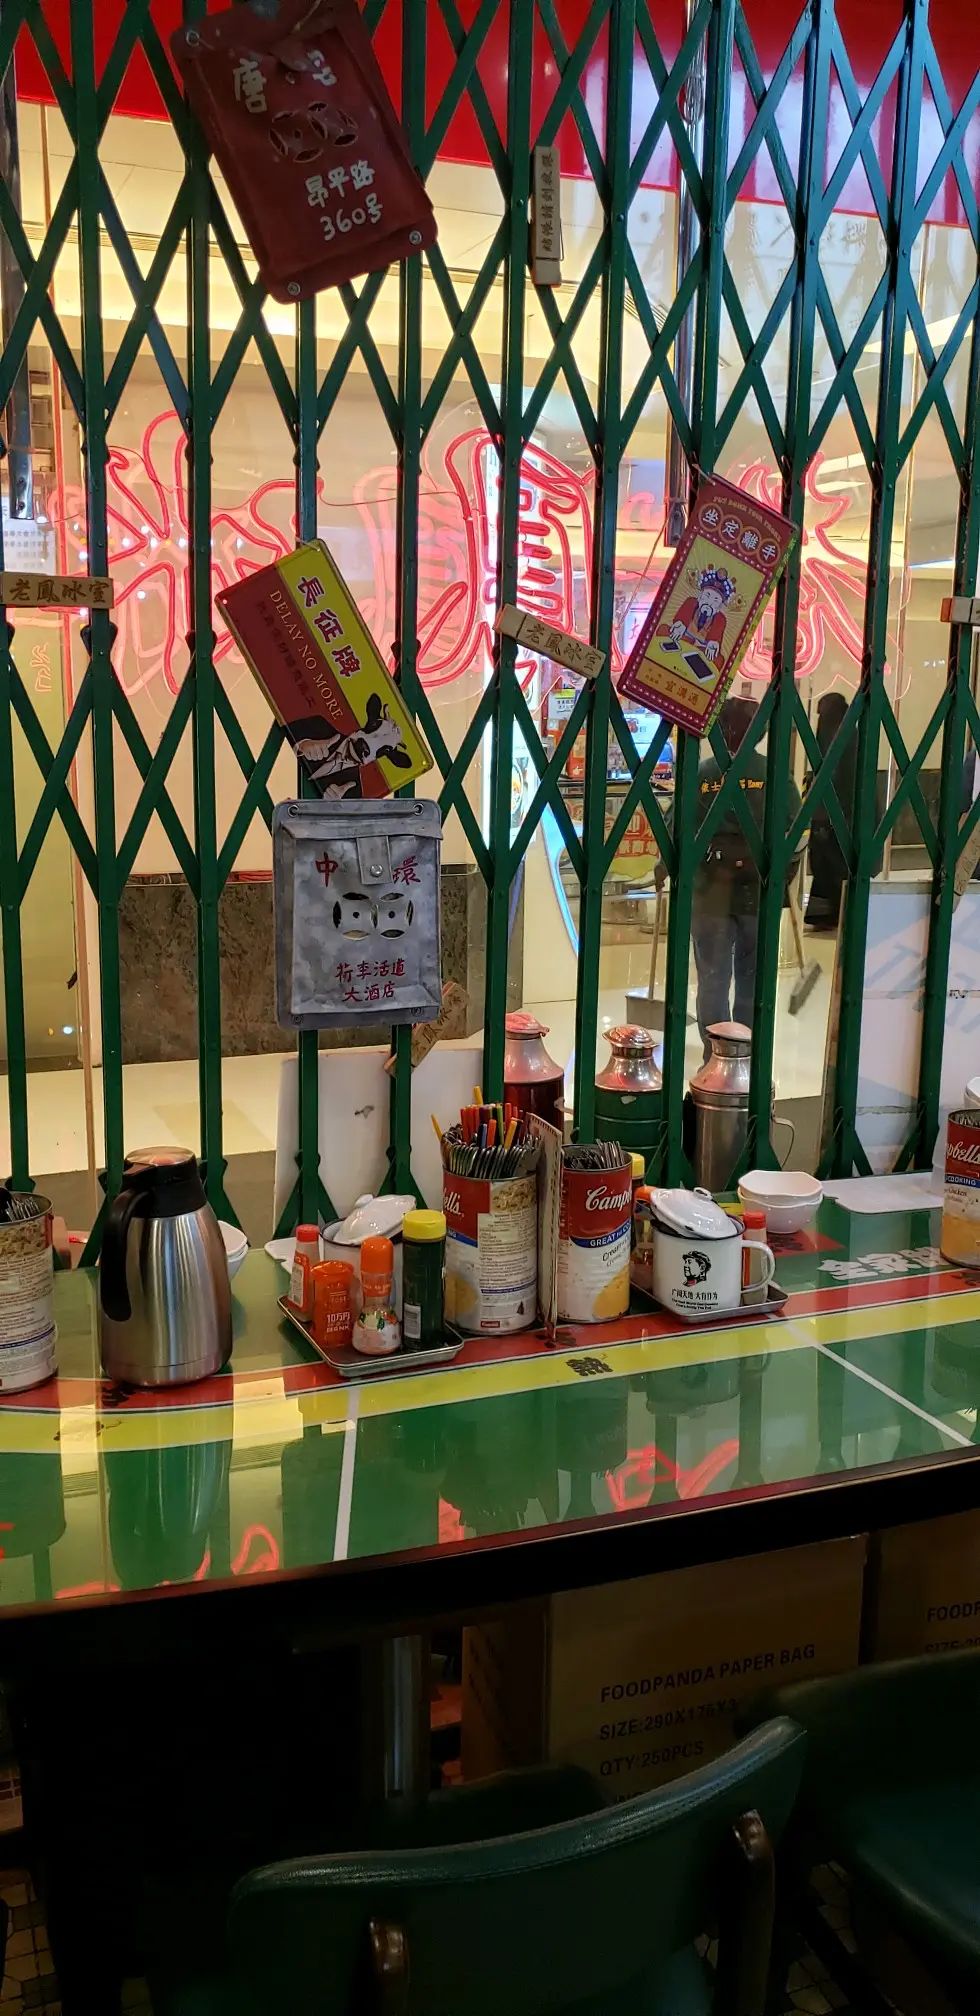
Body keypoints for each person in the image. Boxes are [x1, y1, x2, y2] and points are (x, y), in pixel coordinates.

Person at [657, 696, 803, 1058]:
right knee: (753, 979)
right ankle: (747, 1055)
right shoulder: (775, 775)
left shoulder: (699, 774)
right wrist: (783, 876)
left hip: (709, 891)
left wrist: (666, 869)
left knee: (712, 978)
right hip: (759, 889)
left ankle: (717, 1058)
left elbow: (673, 830)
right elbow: (797, 833)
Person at [804, 691, 854, 928]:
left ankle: (830, 914)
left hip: (833, 813)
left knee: (829, 865)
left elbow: (834, 776)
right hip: (841, 812)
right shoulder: (849, 733)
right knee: (833, 866)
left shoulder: (832, 736)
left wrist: (823, 813)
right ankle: (834, 913)